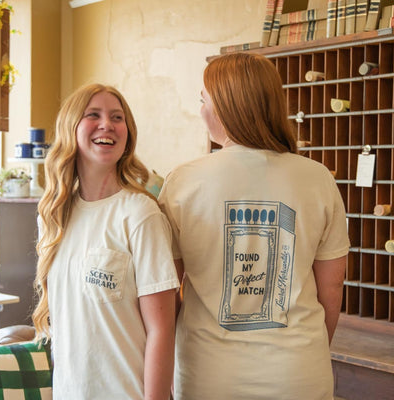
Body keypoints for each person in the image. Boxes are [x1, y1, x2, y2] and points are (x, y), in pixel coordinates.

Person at [158, 53, 350, 400]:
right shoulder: (317, 179)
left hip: (207, 374)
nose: (201, 111)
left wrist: (166, 365)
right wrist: (309, 351)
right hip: (299, 373)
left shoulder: (183, 181)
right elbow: (331, 288)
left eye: (203, 100)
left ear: (225, 108)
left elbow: (167, 293)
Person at [33, 83, 180, 400]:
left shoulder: (140, 215)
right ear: (71, 127)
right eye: (93, 115)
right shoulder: (55, 217)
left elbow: (161, 330)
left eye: (117, 117)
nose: (107, 125)